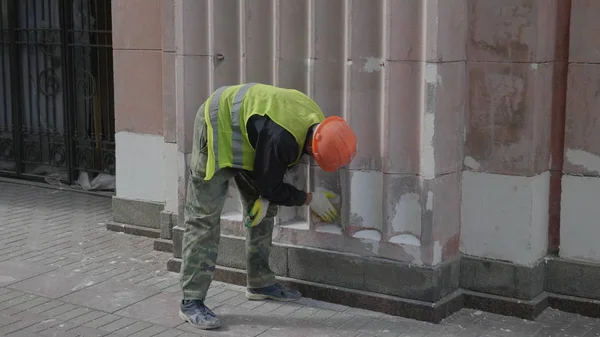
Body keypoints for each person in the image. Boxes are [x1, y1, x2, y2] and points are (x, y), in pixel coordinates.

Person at [178, 83, 357, 330]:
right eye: (313, 157)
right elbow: (271, 178)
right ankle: (191, 301)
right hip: (216, 125)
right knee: (203, 221)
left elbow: (271, 173)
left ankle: (260, 283)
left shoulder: (315, 121)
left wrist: (264, 196)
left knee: (264, 211)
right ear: (311, 146)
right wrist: (308, 198)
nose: (311, 160)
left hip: (250, 136)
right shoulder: (283, 137)